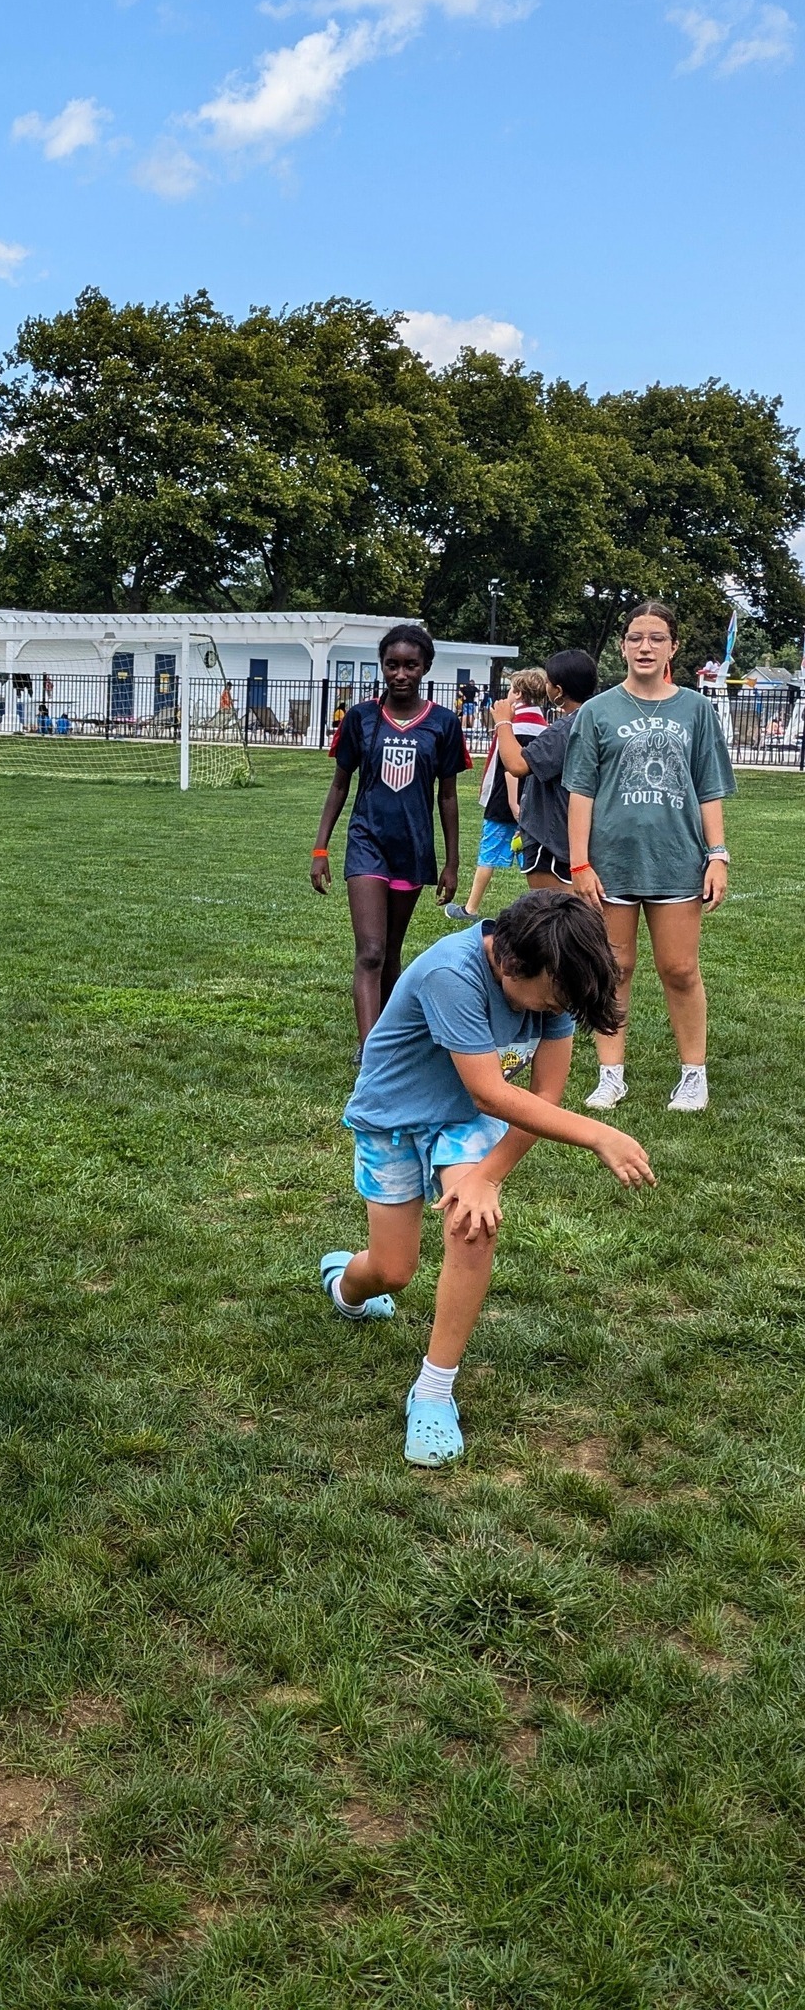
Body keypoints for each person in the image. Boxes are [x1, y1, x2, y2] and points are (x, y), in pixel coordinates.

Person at [321, 891, 655, 1466]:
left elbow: (543, 1097)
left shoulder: (553, 979)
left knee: (473, 1225)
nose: (551, 1011)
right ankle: (345, 1285)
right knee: (393, 1271)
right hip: (392, 1119)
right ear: (509, 961)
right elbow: (492, 1093)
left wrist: (488, 1178)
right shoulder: (452, 974)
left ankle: (433, 1391)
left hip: (462, 1120)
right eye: (550, 999)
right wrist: (599, 1134)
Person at [565, 601, 735, 1114]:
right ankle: (610, 1075)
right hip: (610, 862)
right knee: (613, 967)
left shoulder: (696, 710)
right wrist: (579, 863)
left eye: (657, 638)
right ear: (622, 646)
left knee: (680, 969)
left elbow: (709, 788)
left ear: (672, 647)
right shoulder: (596, 711)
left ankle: (693, 1076)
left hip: (676, 859)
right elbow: (581, 793)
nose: (645, 647)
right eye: (636, 637)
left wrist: (718, 855)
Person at [311, 623, 468, 1053]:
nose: (400, 674)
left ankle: (388, 1037)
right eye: (392, 665)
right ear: (382, 666)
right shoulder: (361, 718)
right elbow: (339, 785)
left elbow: (448, 796)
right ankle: (371, 1054)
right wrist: (321, 848)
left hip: (412, 850)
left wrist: (452, 863)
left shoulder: (443, 723)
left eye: (410, 665)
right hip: (367, 843)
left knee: (391, 953)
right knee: (371, 951)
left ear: (425, 667)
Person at [488, 649, 600, 892]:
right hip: (580, 838)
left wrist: (503, 721)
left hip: (551, 843)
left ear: (558, 691)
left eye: (548, 682)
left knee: (554, 911)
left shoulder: (567, 728)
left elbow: (517, 765)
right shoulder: (597, 720)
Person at [447, 668, 549, 923]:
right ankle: (545, 910)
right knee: (534, 859)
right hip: (535, 804)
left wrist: (514, 804)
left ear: (519, 693)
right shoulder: (544, 728)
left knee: (488, 854)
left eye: (511, 690)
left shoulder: (514, 726)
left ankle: (470, 908)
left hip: (506, 802)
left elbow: (510, 767)